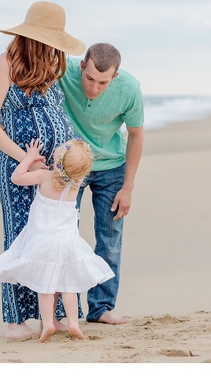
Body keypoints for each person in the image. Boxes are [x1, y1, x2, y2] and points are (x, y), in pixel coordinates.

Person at [0, 1, 86, 339]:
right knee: (22, 239)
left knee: (56, 240)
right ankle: (15, 322)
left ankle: (53, 318)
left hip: (53, 170)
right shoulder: (5, 63)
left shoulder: (52, 65)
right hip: (18, 165)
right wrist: (27, 156)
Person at [0, 138, 114, 343]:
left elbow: (17, 178)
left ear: (58, 161)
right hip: (68, 242)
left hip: (43, 241)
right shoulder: (76, 183)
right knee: (69, 286)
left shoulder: (45, 177)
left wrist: (28, 158)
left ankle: (48, 324)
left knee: (45, 287)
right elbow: (73, 168)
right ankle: (73, 323)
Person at [58, 43, 144, 325]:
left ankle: (101, 308)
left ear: (115, 76)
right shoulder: (64, 71)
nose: (94, 87)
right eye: (90, 78)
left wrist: (128, 186)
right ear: (81, 67)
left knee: (110, 239)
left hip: (112, 167)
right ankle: (62, 311)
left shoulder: (130, 88)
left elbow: (135, 134)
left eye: (103, 82)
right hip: (73, 165)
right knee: (63, 236)